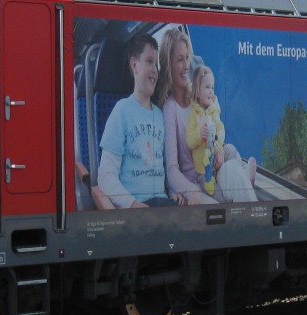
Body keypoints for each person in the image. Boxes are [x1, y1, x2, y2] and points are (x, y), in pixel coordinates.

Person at [96, 35, 183, 208]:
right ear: (134, 65)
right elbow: (105, 175)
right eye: (149, 61)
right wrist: (132, 204)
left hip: (163, 204)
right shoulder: (122, 111)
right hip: (136, 207)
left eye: (156, 64)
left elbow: (165, 167)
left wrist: (174, 192)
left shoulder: (160, 114)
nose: (155, 71)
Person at [154, 26, 213, 205]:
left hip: (211, 173)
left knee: (233, 170)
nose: (186, 65)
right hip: (192, 184)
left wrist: (218, 150)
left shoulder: (199, 97)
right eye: (180, 60)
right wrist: (188, 190)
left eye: (187, 58)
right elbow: (172, 169)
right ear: (168, 66)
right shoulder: (169, 109)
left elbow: (214, 134)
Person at [185, 65, 257, 203]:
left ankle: (245, 174)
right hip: (205, 171)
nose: (211, 91)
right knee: (216, 194)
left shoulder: (214, 112)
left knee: (230, 148)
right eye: (207, 87)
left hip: (218, 159)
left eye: (213, 87)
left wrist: (218, 147)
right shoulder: (194, 115)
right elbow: (189, 140)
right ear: (197, 92)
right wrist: (200, 134)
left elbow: (220, 129)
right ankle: (226, 198)